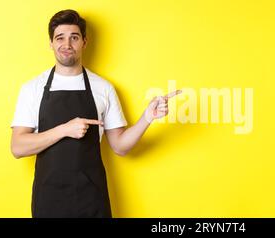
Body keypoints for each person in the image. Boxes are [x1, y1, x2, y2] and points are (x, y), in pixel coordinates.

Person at [10, 9, 181, 218]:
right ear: (51, 44)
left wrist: (147, 117)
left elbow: (120, 146)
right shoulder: (32, 88)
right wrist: (65, 129)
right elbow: (18, 147)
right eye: (60, 38)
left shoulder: (103, 88)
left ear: (84, 42)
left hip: (92, 199)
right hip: (49, 201)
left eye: (74, 37)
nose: (67, 44)